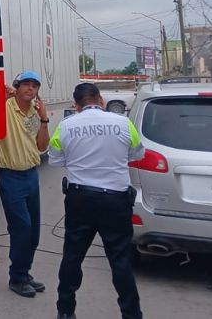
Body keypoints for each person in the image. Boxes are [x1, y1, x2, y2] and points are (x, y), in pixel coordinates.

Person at [49, 83, 145, 319]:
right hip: (115, 201)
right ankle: (131, 314)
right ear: (100, 100)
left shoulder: (65, 126)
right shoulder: (123, 123)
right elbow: (137, 154)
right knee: (120, 260)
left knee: (72, 256)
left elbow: (54, 160)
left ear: (76, 105)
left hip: (80, 199)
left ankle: (65, 310)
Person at [0, 70, 51, 297]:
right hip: (10, 176)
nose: (30, 89)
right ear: (16, 88)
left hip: (31, 176)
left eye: (34, 86)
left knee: (34, 230)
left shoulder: (35, 115)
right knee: (22, 228)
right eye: (25, 84)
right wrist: (3, 91)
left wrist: (45, 119)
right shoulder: (5, 108)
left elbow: (41, 147)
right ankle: (16, 278)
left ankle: (24, 273)